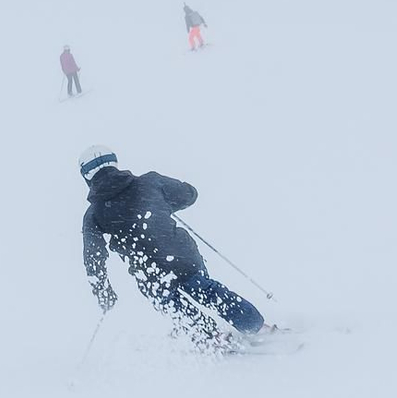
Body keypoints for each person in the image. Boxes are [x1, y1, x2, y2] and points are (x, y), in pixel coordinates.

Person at [79, 146, 264, 341]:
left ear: (87, 177)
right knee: (207, 290)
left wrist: (103, 291)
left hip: (148, 271)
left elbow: (93, 257)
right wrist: (162, 204)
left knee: (170, 303)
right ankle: (257, 328)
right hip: (182, 255)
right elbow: (189, 194)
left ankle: (212, 338)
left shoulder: (94, 213)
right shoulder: (150, 182)